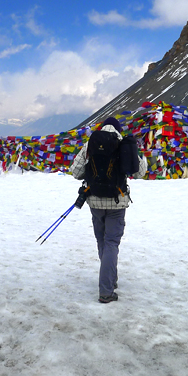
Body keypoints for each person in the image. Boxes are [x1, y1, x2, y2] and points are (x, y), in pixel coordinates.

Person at [69, 117, 147, 303]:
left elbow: (75, 171)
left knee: (102, 241)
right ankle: (106, 290)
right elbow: (140, 172)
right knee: (112, 242)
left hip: (94, 201)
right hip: (117, 201)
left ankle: (110, 277)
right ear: (118, 129)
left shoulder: (91, 144)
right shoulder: (124, 143)